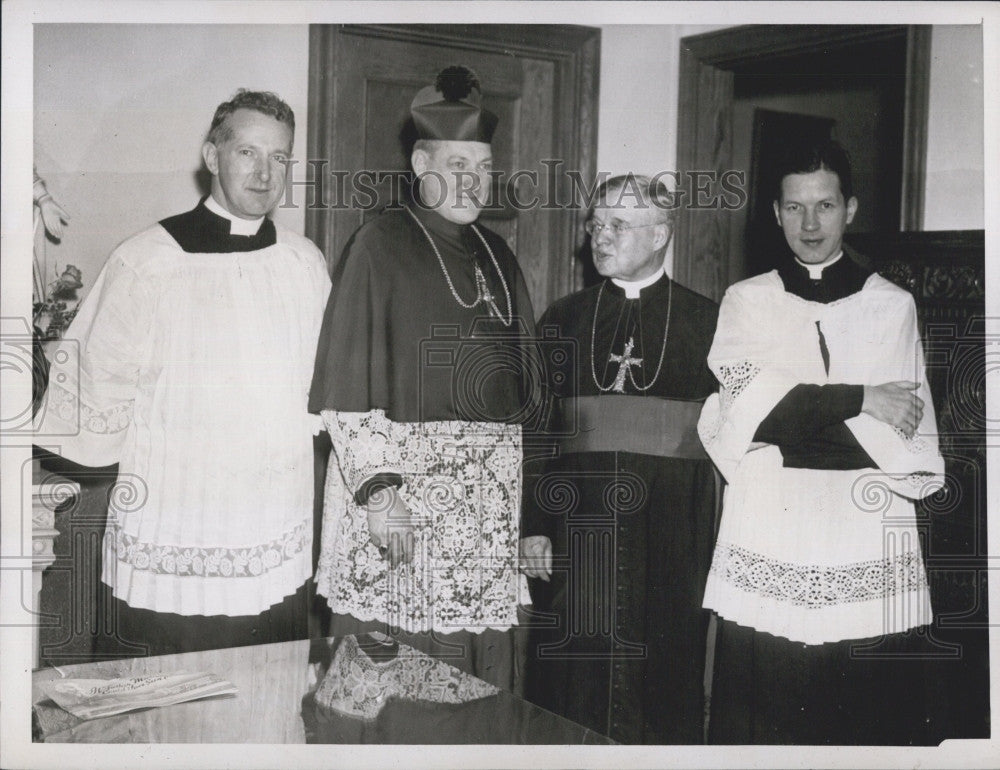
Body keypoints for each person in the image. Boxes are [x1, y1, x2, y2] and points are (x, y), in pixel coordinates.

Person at [35, 89, 331, 656]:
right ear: (212, 156)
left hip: (275, 531)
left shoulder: (304, 263)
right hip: (177, 528)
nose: (266, 173)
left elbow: (329, 389)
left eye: (281, 157)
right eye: (248, 152)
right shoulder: (147, 262)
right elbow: (95, 393)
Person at [698, 140, 946, 744]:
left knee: (861, 708)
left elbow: (885, 442)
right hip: (772, 524)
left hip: (860, 519)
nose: (810, 224)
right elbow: (751, 418)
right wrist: (859, 397)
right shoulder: (746, 302)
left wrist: (786, 411)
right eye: (794, 208)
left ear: (851, 209)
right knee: (770, 700)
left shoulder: (891, 307)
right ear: (776, 213)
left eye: (825, 205)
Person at [309, 66, 539, 690]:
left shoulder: (499, 253)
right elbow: (345, 389)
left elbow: (525, 398)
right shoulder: (378, 244)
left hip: (485, 515)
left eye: (484, 167)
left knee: (478, 690)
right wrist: (382, 498)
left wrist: (521, 518)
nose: (473, 181)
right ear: (419, 161)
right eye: (456, 163)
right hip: (402, 509)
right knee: (398, 684)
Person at [521, 174, 720, 743]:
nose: (599, 238)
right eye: (595, 224)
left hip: (674, 524)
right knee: (573, 668)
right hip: (578, 520)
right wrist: (533, 526)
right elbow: (537, 427)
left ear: (660, 235)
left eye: (618, 226)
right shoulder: (564, 317)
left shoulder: (707, 323)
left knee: (667, 662)